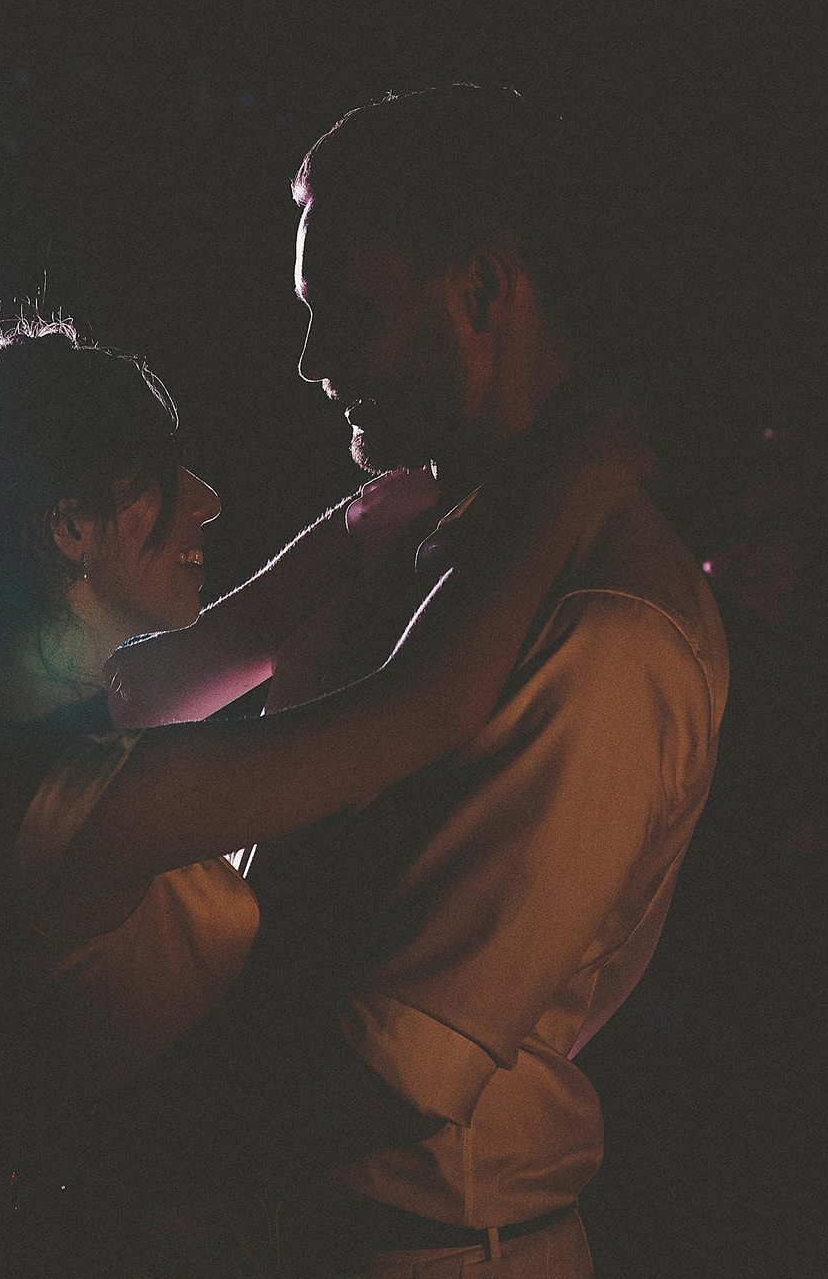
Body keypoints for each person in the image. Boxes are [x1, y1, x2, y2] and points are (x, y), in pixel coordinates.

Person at [75, 84, 728, 1278]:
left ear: (483, 287)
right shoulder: (410, 531)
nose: (312, 362)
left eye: (344, 312)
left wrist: (68, 1143)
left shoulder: (602, 619)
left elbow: (390, 1073)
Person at [0, 311, 648, 1273]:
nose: (209, 500)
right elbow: (426, 712)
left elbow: (269, 617)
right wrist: (569, 481)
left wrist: (433, 449)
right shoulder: (87, 798)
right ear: (70, 528)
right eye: (165, 472)